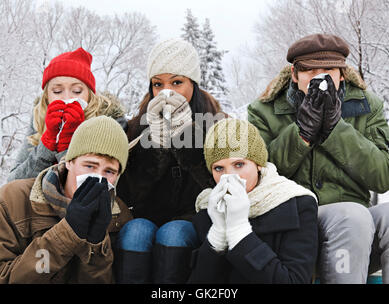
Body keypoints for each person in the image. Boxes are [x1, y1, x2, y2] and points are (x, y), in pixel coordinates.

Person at [247, 33, 389, 283]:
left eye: (328, 71)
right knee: (352, 216)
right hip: (293, 222)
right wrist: (301, 132)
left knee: (368, 216)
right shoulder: (263, 110)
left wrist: (337, 130)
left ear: (342, 74)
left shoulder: (367, 106)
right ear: (294, 74)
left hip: (355, 232)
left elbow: (383, 177)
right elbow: (255, 176)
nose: (320, 79)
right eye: (310, 72)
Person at [115, 38, 225, 283]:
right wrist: (157, 146)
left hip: (195, 217)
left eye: (177, 82)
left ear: (193, 84)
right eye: (158, 84)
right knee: (136, 232)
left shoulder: (218, 124)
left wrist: (187, 140)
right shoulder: (137, 127)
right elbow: (129, 191)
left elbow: (219, 183)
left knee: (174, 233)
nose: (166, 92)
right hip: (146, 215)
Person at [0, 115, 132, 283]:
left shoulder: (119, 217)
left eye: (109, 172)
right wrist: (67, 232)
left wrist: (96, 245)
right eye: (90, 166)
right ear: (69, 161)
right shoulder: (12, 200)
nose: (98, 177)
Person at [188, 118, 318, 283]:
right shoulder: (210, 208)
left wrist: (240, 232)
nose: (229, 176)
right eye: (219, 168)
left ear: (258, 164)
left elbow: (294, 280)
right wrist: (217, 236)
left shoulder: (297, 203)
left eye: (239, 164)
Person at [8, 47, 127, 182]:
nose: (67, 98)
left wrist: (67, 146)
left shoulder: (109, 122)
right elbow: (13, 182)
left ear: (89, 95)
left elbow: (91, 186)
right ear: (47, 96)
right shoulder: (39, 118)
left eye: (76, 91)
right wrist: (46, 147)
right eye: (57, 91)